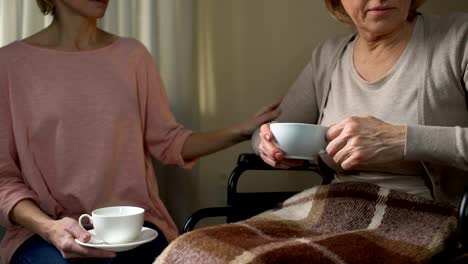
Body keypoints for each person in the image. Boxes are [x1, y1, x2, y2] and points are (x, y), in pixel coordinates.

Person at [0, 0, 281, 263]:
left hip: (134, 228)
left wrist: (242, 131)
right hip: (43, 234)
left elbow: (170, 142)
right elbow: (3, 181)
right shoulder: (9, 65)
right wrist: (49, 228)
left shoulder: (132, 57)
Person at [254, 0, 468, 205]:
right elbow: (267, 133)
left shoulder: (459, 37)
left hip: (429, 217)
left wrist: (400, 140)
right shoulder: (327, 55)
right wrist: (267, 146)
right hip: (333, 210)